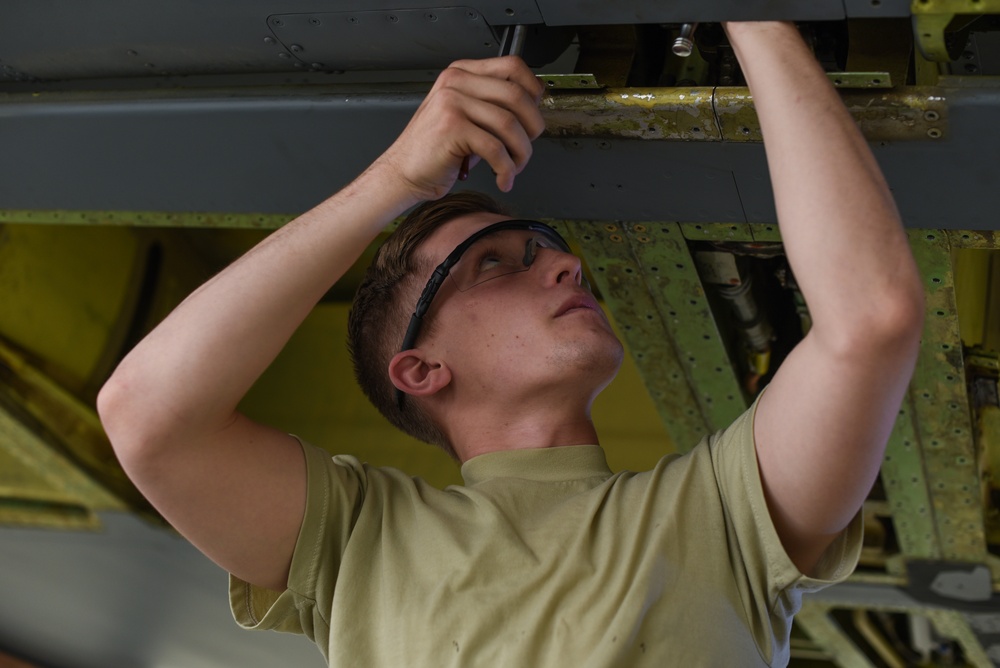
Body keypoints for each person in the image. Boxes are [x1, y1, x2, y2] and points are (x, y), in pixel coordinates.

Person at [97, 20, 925, 667]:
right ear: (420, 369)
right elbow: (148, 415)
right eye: (495, 265)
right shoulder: (358, 544)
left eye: (546, 248)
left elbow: (870, 320)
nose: (566, 265)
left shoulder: (720, 516)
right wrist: (396, 180)